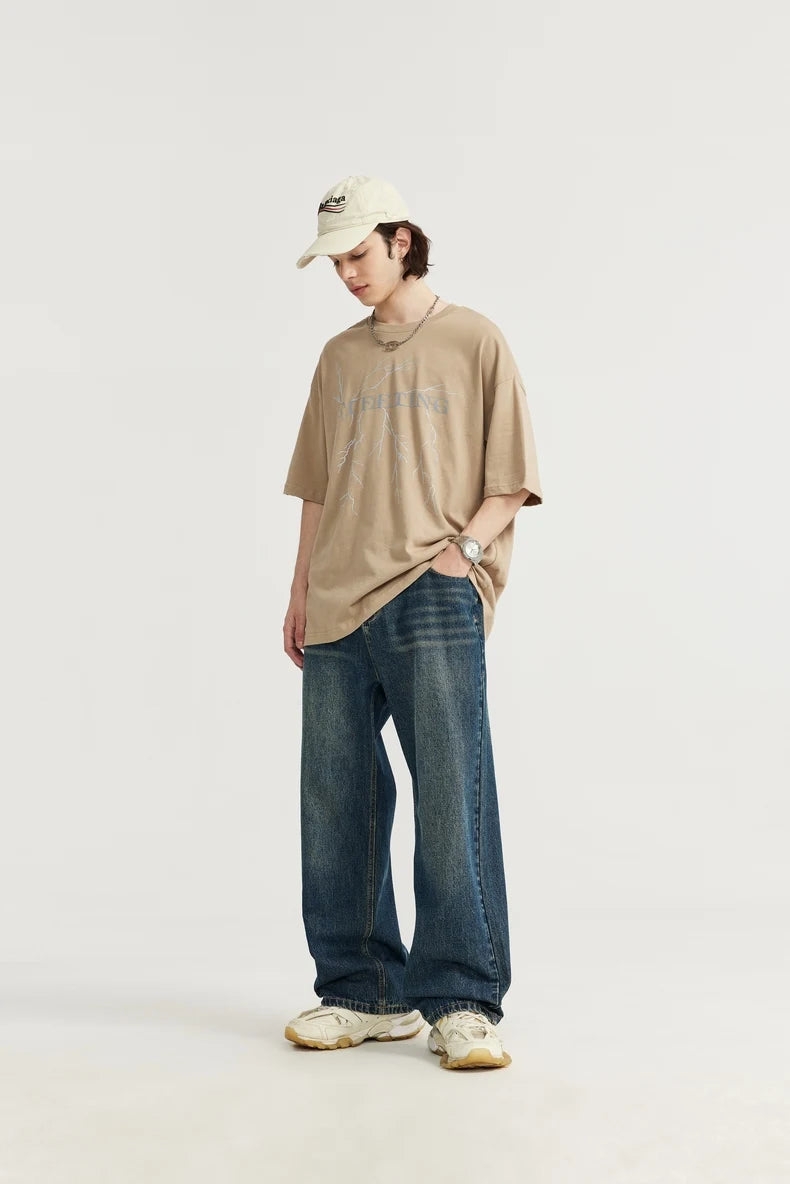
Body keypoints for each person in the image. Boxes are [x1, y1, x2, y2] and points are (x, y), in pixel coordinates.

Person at [281, 175, 543, 1070]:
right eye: (335, 262)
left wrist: (460, 556)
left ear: (401, 240)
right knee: (335, 798)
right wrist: (299, 590)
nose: (348, 274)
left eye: (359, 254)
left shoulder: (474, 339)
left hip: (432, 589)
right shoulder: (338, 358)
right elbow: (317, 487)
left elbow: (513, 478)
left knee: (451, 793)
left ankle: (462, 999)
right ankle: (363, 992)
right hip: (337, 599)